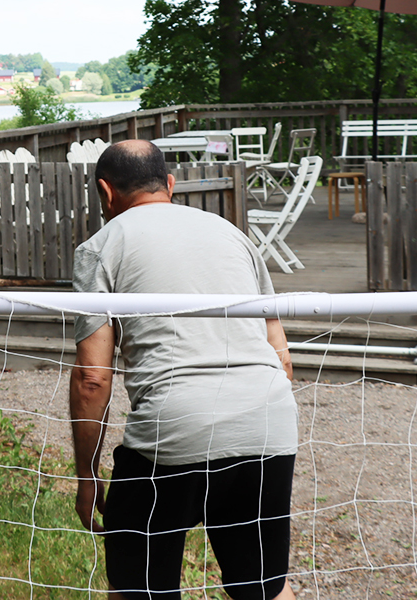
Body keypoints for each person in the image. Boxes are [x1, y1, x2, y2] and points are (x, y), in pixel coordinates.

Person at [69, 140, 297, 600]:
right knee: (264, 590)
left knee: (138, 590)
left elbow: (93, 377)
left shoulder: (101, 246)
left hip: (172, 431)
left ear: (104, 192)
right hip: (269, 421)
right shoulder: (233, 234)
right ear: (170, 185)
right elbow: (281, 353)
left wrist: (88, 475)